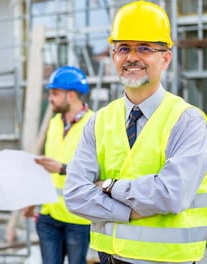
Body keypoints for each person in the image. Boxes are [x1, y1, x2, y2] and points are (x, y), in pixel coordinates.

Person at [64, 1, 207, 264]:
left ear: (165, 57)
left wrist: (108, 187)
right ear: (113, 55)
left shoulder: (189, 122)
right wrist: (127, 212)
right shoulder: (98, 121)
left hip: (170, 260)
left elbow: (172, 194)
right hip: (109, 258)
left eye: (144, 48)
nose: (132, 57)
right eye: (123, 48)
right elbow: (74, 194)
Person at [23, 66, 94, 264]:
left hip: (77, 218)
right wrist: (31, 202)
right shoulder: (54, 123)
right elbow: (46, 167)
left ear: (71, 95)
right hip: (48, 215)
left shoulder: (94, 124)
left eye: (54, 93)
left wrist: (62, 169)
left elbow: (99, 172)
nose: (50, 98)